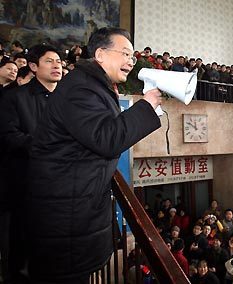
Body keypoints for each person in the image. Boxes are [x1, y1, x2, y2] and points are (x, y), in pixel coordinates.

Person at [24, 27, 162, 283]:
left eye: (132, 56)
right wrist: (147, 106)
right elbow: (106, 139)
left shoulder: (89, 85)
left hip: (71, 213)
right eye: (125, 53)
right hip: (66, 222)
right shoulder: (82, 89)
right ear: (100, 54)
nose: (131, 61)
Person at [0, 44, 63, 283]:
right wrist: (45, 144)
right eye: (50, 61)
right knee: (22, 250)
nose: (57, 65)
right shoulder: (14, 98)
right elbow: (8, 137)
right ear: (34, 66)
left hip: (61, 186)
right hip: (25, 185)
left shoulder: (68, 100)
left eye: (58, 61)